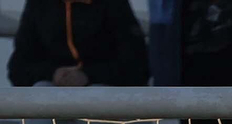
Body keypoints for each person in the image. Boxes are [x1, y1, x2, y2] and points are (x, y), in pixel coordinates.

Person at [8, 0, 150, 88]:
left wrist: (87, 75)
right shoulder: (39, 5)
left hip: (103, 90)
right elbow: (18, 68)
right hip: (53, 90)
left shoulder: (113, 5)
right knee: (41, 91)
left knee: (98, 95)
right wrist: (53, 74)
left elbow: (137, 67)